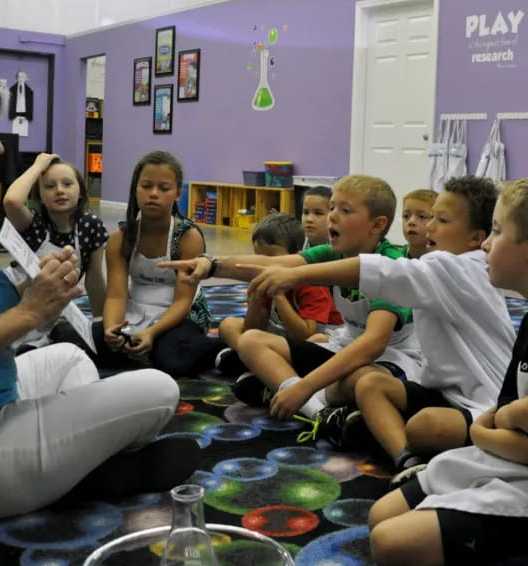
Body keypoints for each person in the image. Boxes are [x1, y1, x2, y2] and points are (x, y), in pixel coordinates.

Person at [368, 178, 528, 566]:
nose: (486, 244)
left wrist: (484, 429)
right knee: (380, 516)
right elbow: (505, 410)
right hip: (517, 462)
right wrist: (503, 419)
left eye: (496, 230)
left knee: (391, 543)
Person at [0, 79, 197, 519]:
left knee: (68, 354)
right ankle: (99, 473)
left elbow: (106, 289)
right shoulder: (102, 231)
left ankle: (79, 459)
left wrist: (33, 291)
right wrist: (30, 311)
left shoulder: (110, 230)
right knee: (159, 389)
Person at [249, 176, 516, 486]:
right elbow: (273, 264)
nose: (427, 227)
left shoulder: (457, 266)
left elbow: (375, 280)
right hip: (437, 389)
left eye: (440, 220)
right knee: (369, 386)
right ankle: (406, 459)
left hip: (481, 402)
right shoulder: (436, 264)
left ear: (476, 237)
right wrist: (213, 265)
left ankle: (374, 429)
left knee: (422, 426)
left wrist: (291, 276)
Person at [163, 175, 418, 421]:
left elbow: (373, 344)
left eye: (346, 210)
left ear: (377, 225)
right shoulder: (333, 252)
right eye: (332, 208)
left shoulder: (392, 266)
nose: (332, 216)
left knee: (358, 381)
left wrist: (304, 386)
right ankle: (319, 414)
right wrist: (211, 265)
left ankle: (288, 390)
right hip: (345, 348)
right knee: (251, 341)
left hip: (388, 359)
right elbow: (271, 263)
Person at [54, 150, 221, 377]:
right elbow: (116, 295)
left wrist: (152, 333)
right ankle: (137, 351)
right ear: (136, 189)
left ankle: (217, 347)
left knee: (174, 360)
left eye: (164, 188)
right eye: (146, 186)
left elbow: (183, 301)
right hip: (135, 312)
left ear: (177, 193)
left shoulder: (188, 237)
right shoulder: (120, 239)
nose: (154, 194)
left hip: (178, 315)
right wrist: (112, 329)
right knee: (66, 335)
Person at [3, 152, 109, 348]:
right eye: (50, 186)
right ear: (41, 197)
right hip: (9, 303)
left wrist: (102, 323)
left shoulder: (90, 226)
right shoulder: (32, 222)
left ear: (81, 192)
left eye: (67, 184)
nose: (59, 190)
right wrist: (38, 165)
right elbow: (12, 201)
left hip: (46, 318)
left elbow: (95, 280)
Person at [216, 212, 341, 376]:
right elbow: (252, 328)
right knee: (228, 324)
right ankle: (255, 361)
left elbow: (304, 334)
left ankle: (264, 367)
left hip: (313, 340)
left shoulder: (311, 284)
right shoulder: (265, 278)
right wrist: (254, 301)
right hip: (280, 337)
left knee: (317, 340)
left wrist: (279, 296)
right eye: (260, 258)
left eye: (272, 258)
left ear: (295, 257)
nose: (266, 264)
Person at [401, 188, 436, 259]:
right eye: (406, 216)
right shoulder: (394, 257)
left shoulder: (444, 262)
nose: (411, 222)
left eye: (421, 216)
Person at [301, 185, 332, 249]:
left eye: (318, 213)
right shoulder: (295, 244)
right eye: (306, 212)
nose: (309, 219)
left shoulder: (342, 250)